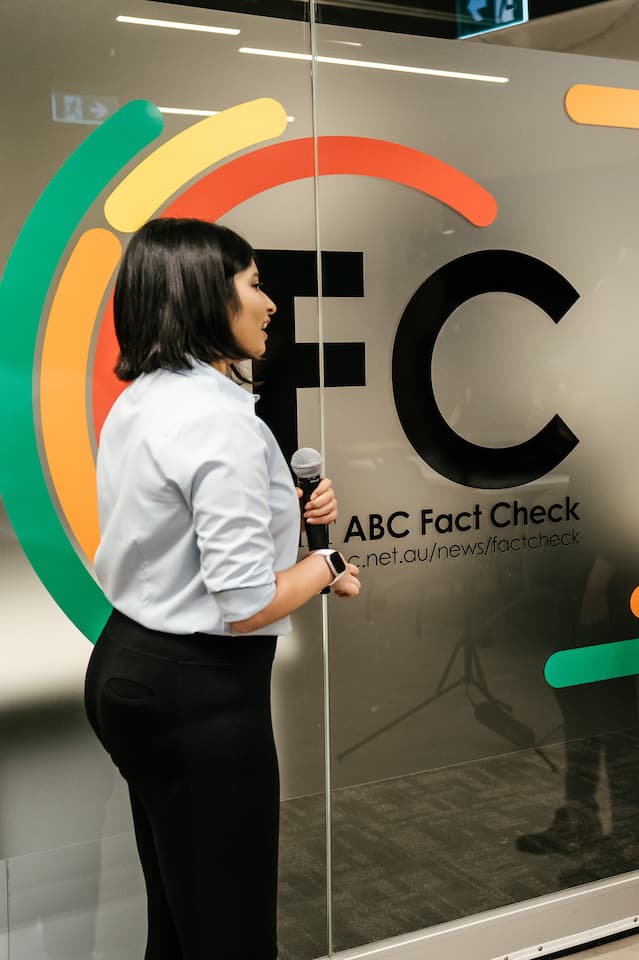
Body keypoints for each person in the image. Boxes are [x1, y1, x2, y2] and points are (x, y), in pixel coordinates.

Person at [83, 217, 362, 959]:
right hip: (199, 695)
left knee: (181, 920)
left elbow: (176, 538)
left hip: (131, 666)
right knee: (230, 934)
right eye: (254, 284)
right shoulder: (219, 422)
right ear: (209, 296)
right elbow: (244, 606)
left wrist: (291, 521)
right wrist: (327, 565)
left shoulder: (145, 397)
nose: (271, 303)